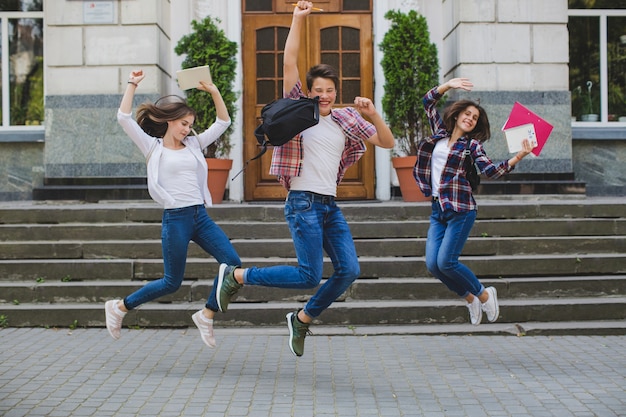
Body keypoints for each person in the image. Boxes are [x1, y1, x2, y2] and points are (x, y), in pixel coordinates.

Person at [213, 0, 395, 357]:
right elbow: (288, 61)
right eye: (318, 90)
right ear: (309, 92)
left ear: (336, 92)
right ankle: (236, 276)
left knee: (349, 270)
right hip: (302, 202)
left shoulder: (346, 119)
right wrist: (297, 18)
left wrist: (374, 114)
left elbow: (385, 142)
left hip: (328, 205)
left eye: (329, 90)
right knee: (309, 275)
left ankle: (302, 318)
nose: (324, 96)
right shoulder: (299, 112)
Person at [105, 69, 241, 347]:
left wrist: (214, 91)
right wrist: (132, 84)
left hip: (199, 217)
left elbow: (223, 122)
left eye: (190, 124)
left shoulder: (194, 144)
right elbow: (123, 118)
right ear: (168, 121)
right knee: (171, 282)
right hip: (176, 218)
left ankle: (206, 314)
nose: (187, 129)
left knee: (232, 264)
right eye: (182, 123)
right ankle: (120, 307)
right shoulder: (152, 147)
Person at [415, 77, 535, 325]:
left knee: (447, 262)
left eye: (475, 118)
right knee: (433, 265)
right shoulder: (440, 133)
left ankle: (484, 293)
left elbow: (491, 171)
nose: (470, 118)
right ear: (457, 115)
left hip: (461, 210)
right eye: (467, 114)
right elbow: (428, 102)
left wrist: (519, 156)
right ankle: (470, 298)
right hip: (438, 209)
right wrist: (448, 85)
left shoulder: (472, 146)